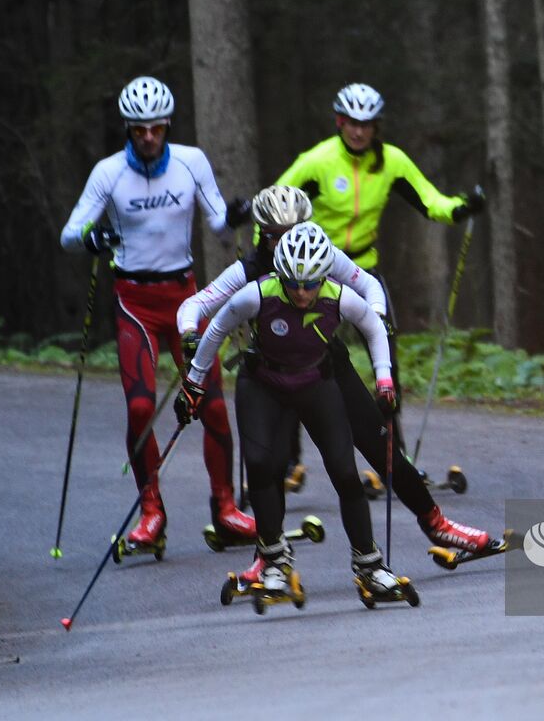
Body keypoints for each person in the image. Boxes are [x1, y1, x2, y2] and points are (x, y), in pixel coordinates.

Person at [176, 185, 495, 557]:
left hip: (325, 369)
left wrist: (375, 317)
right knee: (269, 463)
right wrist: (188, 335)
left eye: (296, 228)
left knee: (382, 447)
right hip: (272, 376)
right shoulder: (247, 272)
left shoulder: (319, 255)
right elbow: (196, 305)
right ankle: (270, 557)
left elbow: (368, 284)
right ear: (262, 233)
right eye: (276, 235)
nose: (288, 242)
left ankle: (437, 525)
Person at [59, 76, 257, 553]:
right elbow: (70, 233)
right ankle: (152, 513)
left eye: (156, 128)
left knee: (211, 408)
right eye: (139, 129)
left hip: (187, 301)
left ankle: (226, 508)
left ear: (167, 126)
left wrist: (233, 216)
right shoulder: (109, 173)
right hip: (135, 304)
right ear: (128, 130)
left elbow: (215, 223)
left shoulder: (191, 163)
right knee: (142, 409)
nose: (148, 137)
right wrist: (92, 238)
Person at [178, 221, 412, 604]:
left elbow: (374, 327)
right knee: (260, 464)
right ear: (280, 275)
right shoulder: (255, 295)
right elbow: (217, 329)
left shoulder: (339, 296)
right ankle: (273, 562)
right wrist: (194, 384)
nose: (302, 293)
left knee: (345, 472)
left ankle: (371, 566)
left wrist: (384, 382)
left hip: (316, 384)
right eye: (294, 284)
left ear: (324, 276)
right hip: (263, 384)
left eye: (311, 284)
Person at [275, 82, 485, 484]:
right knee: (295, 358)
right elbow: (277, 203)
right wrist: (262, 259)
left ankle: (394, 459)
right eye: (351, 123)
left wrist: (461, 208)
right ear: (340, 122)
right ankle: (289, 461)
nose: (358, 132)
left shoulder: (391, 161)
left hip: (364, 273)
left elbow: (430, 201)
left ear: (376, 127)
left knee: (386, 360)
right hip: (313, 274)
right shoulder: (317, 161)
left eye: (366, 124)